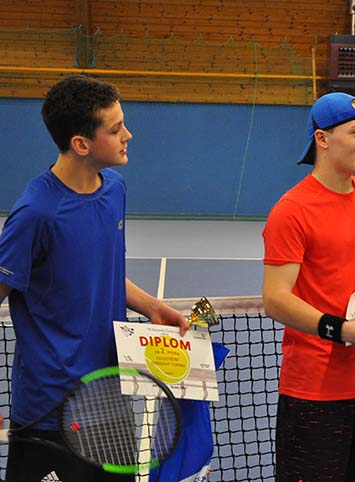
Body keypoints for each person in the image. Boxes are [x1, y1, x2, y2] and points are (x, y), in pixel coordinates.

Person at [0, 75, 189, 482]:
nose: (128, 135)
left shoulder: (114, 189)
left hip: (107, 394)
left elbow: (103, 271)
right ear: (81, 144)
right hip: (49, 409)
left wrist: (152, 306)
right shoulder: (36, 213)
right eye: (116, 129)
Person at [262, 92, 355, 482]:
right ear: (322, 139)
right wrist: (343, 330)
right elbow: (275, 298)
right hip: (315, 392)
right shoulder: (291, 211)